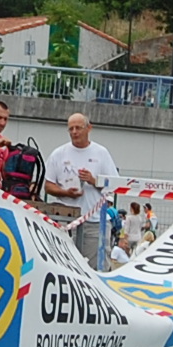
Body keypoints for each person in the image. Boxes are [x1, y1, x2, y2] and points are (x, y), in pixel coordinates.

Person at [44, 113, 117, 267]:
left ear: (89, 128)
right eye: (71, 129)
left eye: (78, 128)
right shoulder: (58, 154)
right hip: (66, 222)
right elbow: (48, 185)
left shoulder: (101, 153)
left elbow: (115, 186)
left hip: (95, 222)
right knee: (64, 266)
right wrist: (66, 193)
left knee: (96, 268)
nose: (74, 132)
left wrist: (93, 180)